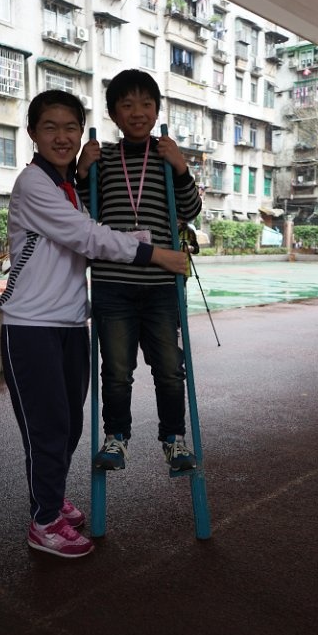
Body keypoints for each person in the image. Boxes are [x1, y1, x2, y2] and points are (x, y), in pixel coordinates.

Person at [0, 90, 187, 559]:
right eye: (50, 127)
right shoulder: (34, 184)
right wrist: (156, 254)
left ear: (81, 133)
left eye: (70, 127)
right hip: (30, 326)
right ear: (32, 133)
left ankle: (51, 497)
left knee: (68, 426)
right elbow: (88, 237)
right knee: (47, 427)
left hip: (68, 322)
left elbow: (86, 232)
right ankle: (44, 522)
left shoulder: (67, 187)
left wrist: (84, 177)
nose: (62, 137)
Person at [77, 69, 202, 474]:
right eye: (127, 104)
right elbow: (84, 213)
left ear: (157, 111)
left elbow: (190, 211)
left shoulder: (167, 156)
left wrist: (181, 169)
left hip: (161, 285)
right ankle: (117, 438)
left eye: (146, 104)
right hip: (113, 284)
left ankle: (174, 439)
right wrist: (82, 173)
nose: (137, 112)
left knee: (169, 368)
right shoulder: (104, 158)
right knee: (116, 370)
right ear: (114, 113)